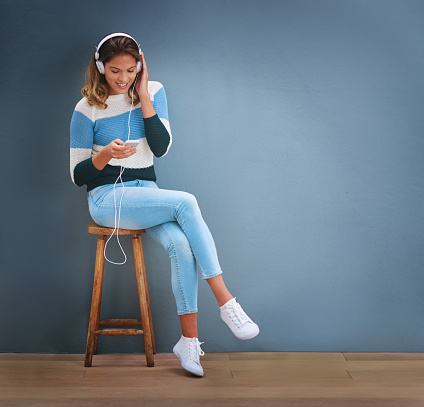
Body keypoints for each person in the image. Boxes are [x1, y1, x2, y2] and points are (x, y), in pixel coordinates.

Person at [70, 33, 259, 377]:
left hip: (147, 193)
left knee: (182, 247)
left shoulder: (153, 91)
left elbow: (160, 147)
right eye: (114, 71)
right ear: (100, 68)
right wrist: (107, 155)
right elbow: (78, 174)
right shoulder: (86, 109)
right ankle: (226, 301)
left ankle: (188, 343)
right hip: (107, 199)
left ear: (140, 66)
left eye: (130, 70)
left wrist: (142, 96)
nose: (123, 78)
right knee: (186, 202)